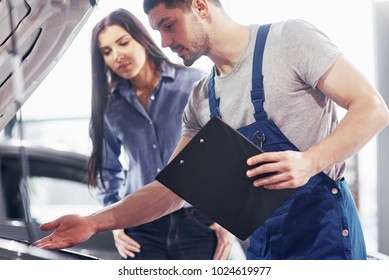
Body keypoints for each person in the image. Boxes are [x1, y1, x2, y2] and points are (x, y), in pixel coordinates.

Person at [33, 0, 389, 260]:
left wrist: (309, 162)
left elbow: (372, 107)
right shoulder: (202, 98)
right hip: (263, 243)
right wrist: (95, 222)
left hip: (323, 231)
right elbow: (170, 189)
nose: (164, 41)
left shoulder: (289, 39)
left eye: (168, 25)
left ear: (200, 7)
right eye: (158, 31)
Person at [84, 8, 233, 260]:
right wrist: (115, 222)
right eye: (106, 52)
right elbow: (105, 170)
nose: (117, 56)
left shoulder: (194, 83)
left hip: (198, 221)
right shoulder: (110, 106)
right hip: (139, 227)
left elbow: (227, 153)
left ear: (142, 40)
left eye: (123, 43)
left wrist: (228, 214)